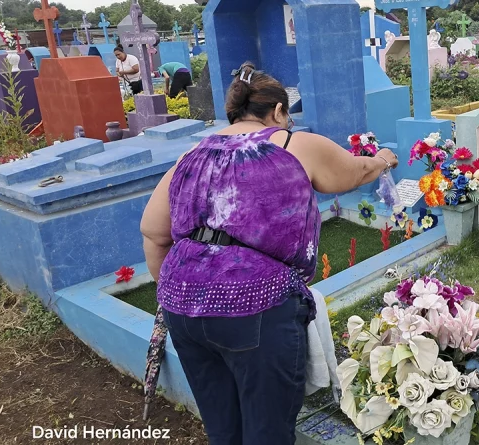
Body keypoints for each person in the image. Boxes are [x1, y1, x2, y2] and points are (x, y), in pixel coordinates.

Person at [140, 62, 398, 445]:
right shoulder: (293, 143)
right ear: (278, 111)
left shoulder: (192, 154)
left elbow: (153, 232)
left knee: (223, 426)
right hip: (254, 305)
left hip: (182, 306)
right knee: (267, 432)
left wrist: (182, 292)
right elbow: (353, 173)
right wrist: (384, 160)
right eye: (286, 116)